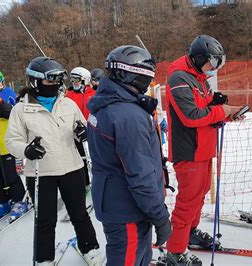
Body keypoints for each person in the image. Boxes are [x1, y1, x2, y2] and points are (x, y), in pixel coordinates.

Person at [5, 57, 101, 265]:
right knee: (45, 219)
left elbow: (82, 127)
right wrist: (26, 150)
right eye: (50, 81)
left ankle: (90, 247)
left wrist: (82, 133)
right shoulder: (20, 110)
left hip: (71, 167)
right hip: (41, 172)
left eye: (58, 81)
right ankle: (44, 258)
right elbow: (12, 141)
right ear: (35, 82)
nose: (56, 85)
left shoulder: (68, 104)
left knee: (79, 213)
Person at [86, 45, 171, 266]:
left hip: (118, 201)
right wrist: (160, 216)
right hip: (128, 209)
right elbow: (139, 174)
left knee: (137, 257)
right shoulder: (127, 115)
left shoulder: (110, 104)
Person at [165, 35, 241, 265]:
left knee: (199, 196)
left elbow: (205, 110)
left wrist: (225, 113)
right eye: (212, 63)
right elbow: (190, 116)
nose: (213, 69)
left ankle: (191, 232)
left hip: (204, 147)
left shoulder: (199, 79)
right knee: (188, 201)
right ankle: (175, 250)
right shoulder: (179, 78)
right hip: (189, 150)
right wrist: (221, 111)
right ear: (198, 58)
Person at [0, 81, 28, 222]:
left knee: (11, 176)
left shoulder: (3, 107)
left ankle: (19, 200)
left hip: (6, 148)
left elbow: (11, 111)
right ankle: (2, 202)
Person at [66, 67, 95, 188]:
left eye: (76, 79)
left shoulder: (93, 94)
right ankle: (85, 183)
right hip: (76, 133)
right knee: (80, 159)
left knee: (93, 158)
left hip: (92, 132)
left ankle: (97, 182)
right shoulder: (69, 95)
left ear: (85, 80)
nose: (74, 82)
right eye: (72, 79)